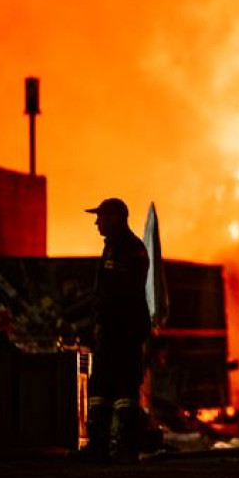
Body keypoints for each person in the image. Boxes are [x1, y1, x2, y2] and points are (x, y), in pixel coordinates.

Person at [76, 197, 151, 464]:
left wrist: (99, 323)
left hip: (120, 330)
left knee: (116, 389)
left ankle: (113, 448)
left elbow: (115, 294)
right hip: (121, 329)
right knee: (111, 390)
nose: (97, 222)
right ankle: (111, 447)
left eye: (102, 217)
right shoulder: (122, 247)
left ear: (116, 218)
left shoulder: (125, 248)